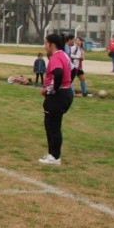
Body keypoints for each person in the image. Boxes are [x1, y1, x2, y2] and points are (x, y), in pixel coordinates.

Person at [39, 33, 74, 166]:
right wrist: (67, 84)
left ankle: (54, 156)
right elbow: (74, 70)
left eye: (46, 43)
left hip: (58, 96)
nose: (45, 46)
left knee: (52, 126)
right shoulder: (64, 55)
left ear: (52, 45)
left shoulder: (55, 57)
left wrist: (55, 89)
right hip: (66, 93)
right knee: (54, 125)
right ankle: (53, 155)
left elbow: (58, 72)